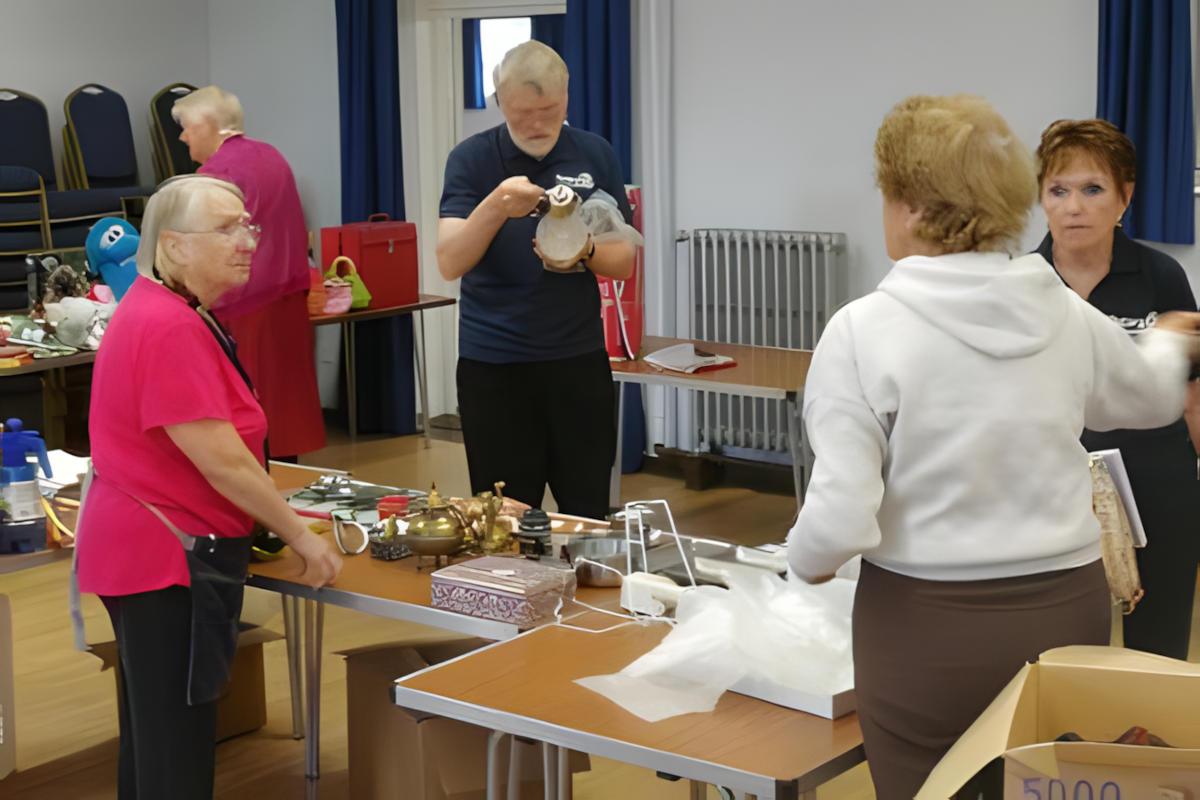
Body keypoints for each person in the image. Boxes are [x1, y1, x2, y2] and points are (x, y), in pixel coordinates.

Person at [785, 95, 1200, 799]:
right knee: (1041, 782)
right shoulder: (1062, 310)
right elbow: (1150, 399)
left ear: (908, 206)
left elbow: (841, 519)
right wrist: (1164, 345)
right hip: (1064, 609)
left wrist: (799, 566)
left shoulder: (862, 330)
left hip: (924, 624)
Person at [74, 175, 343, 799]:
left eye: (247, 225)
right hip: (165, 558)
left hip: (148, 551)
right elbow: (222, 460)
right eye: (226, 229)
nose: (247, 241)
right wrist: (301, 537)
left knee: (155, 742)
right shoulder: (167, 323)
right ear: (173, 246)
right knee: (173, 753)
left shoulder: (168, 309)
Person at [437, 41, 636, 519]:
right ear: (499, 100)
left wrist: (584, 250)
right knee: (504, 519)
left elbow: (624, 261)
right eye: (523, 112)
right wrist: (496, 205)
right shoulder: (471, 159)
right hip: (495, 367)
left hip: (577, 362)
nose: (537, 124)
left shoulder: (594, 153)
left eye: (549, 110)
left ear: (566, 96)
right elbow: (449, 261)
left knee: (587, 513)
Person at [1035, 118, 1200, 660]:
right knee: (1058, 648)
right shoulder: (1020, 283)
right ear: (1040, 198)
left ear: (1124, 198)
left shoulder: (1161, 275)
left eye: (1092, 189)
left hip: (1159, 482)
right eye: (1058, 190)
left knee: (1158, 649)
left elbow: (1192, 394)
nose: (1073, 207)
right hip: (1052, 486)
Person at [172, 85, 325, 461]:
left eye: (186, 127)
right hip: (288, 296)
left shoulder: (215, 175)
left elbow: (207, 247)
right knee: (283, 408)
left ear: (206, 125)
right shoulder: (271, 155)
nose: (183, 137)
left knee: (245, 414)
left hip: (241, 305)